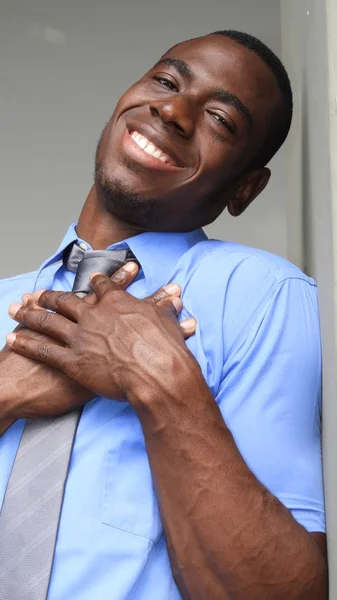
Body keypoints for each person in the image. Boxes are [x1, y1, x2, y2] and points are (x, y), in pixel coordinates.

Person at [0, 30, 328, 600]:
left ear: (245, 189)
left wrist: (156, 374)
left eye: (221, 120)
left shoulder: (263, 295)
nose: (173, 110)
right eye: (166, 81)